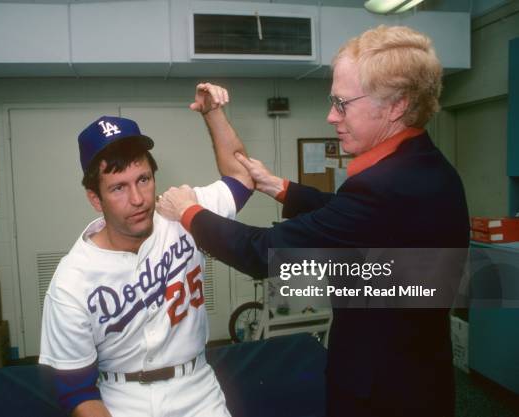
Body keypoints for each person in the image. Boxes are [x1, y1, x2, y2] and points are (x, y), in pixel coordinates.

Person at [157, 26, 470, 417]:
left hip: (383, 390)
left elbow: (261, 253)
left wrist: (188, 211)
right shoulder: (424, 166)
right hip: (422, 374)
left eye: (342, 103)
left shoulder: (383, 188)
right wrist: (282, 188)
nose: (330, 116)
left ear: (396, 106)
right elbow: (356, 217)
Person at [39, 83, 253, 417]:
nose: (138, 199)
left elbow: (242, 177)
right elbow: (76, 391)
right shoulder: (71, 280)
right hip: (121, 398)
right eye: (118, 188)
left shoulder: (183, 214)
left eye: (143, 179)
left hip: (197, 390)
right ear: (95, 198)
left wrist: (213, 113)